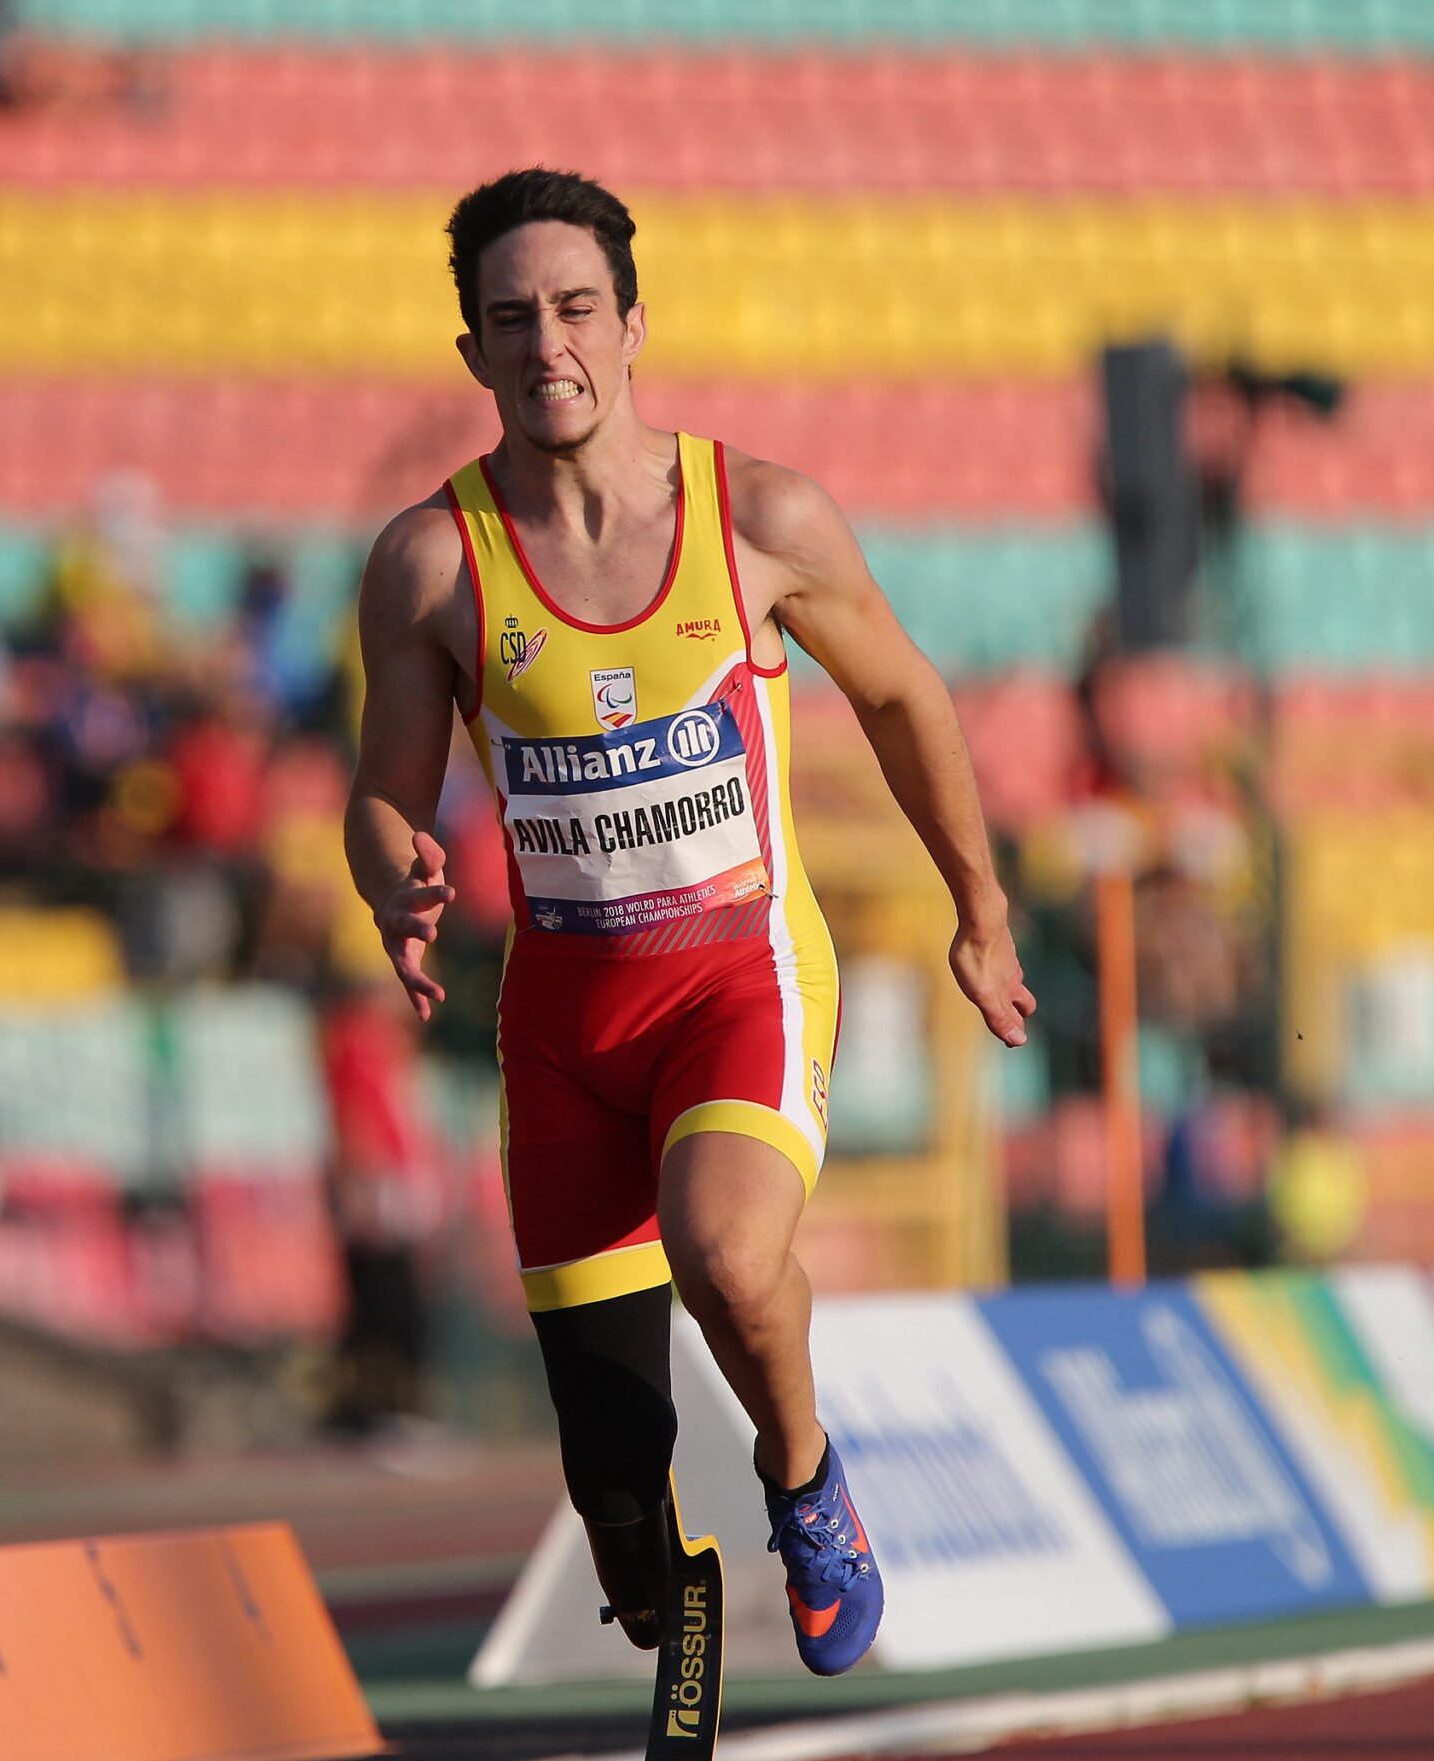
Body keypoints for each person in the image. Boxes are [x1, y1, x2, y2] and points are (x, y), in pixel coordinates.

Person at [342, 169, 1035, 1679]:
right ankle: (660, 1590)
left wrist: (978, 907)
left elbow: (908, 696)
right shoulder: (428, 564)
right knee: (618, 1506)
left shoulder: (762, 518)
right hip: (566, 1030)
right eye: (511, 318)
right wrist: (392, 874)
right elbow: (380, 794)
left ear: (633, 324)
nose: (549, 344)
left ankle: (806, 1483)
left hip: (740, 980)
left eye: (577, 308)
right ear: (472, 352)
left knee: (728, 1255)